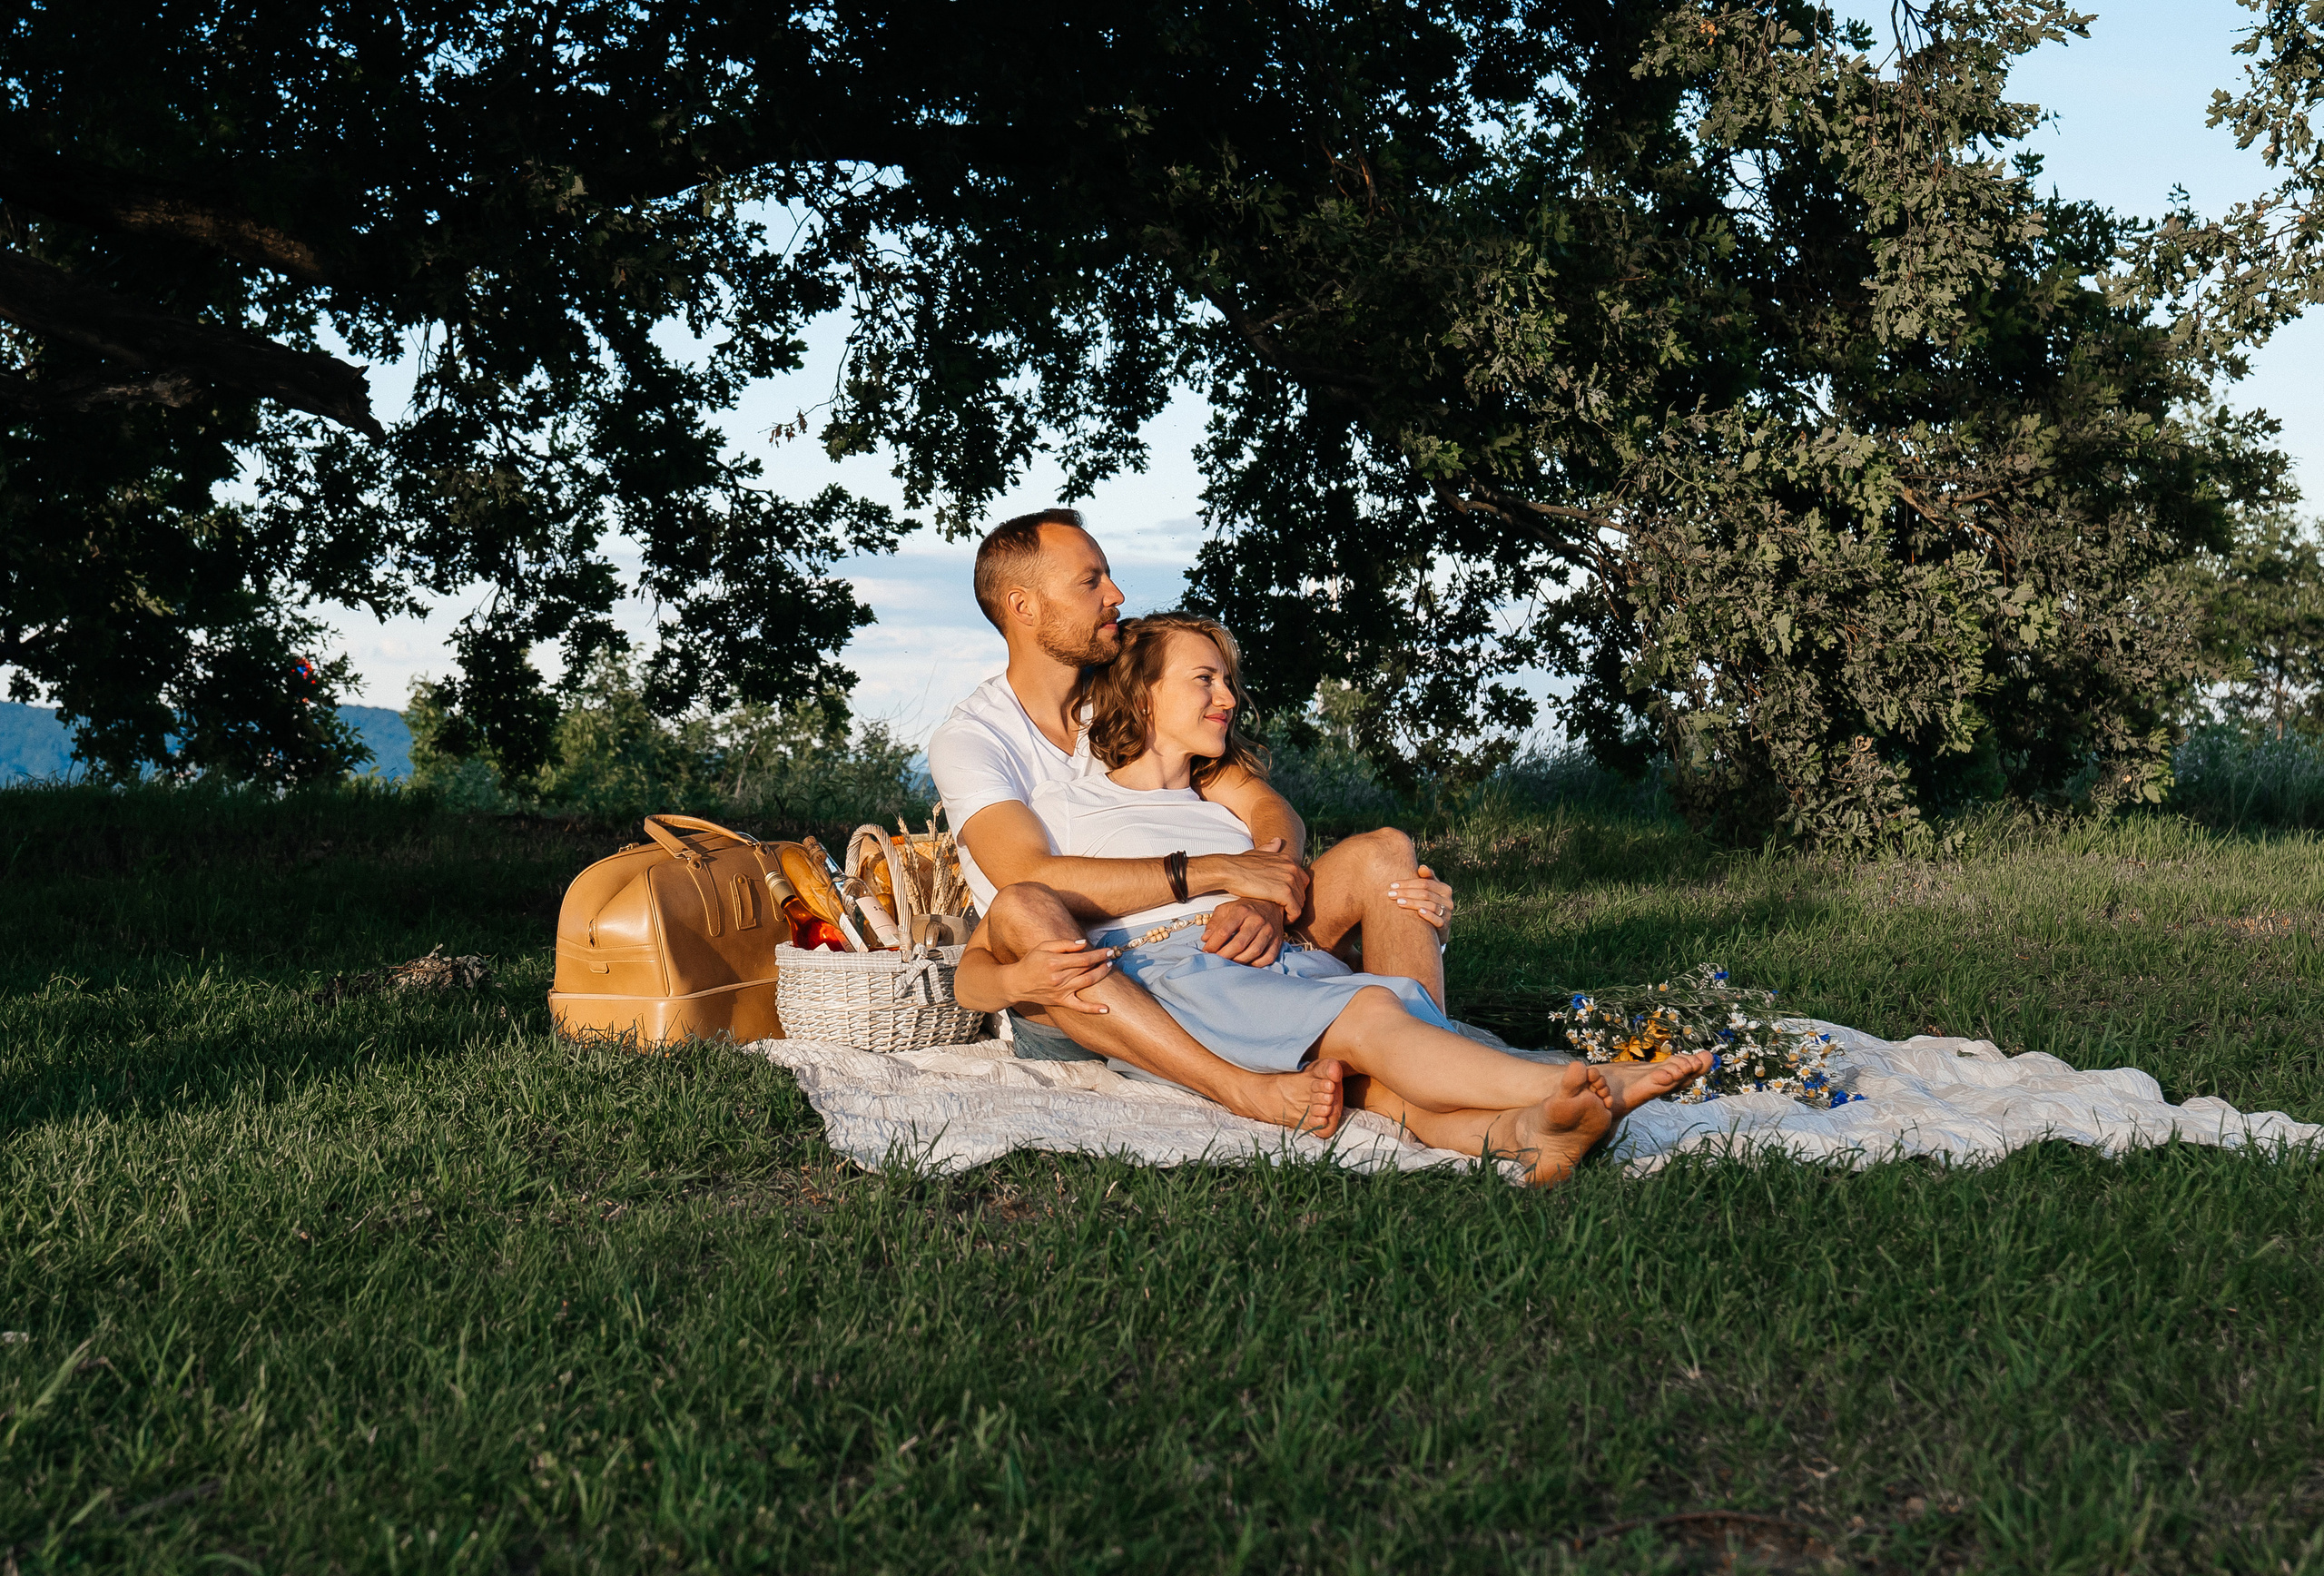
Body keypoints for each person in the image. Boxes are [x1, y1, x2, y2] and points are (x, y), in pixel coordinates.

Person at [953, 612, 1711, 1183]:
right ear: (1143, 696)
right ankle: (1576, 1083)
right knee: (1370, 1013)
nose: (1227, 697)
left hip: (1274, 964)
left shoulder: (1220, 795)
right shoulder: (1067, 804)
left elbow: (1281, 835)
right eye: (1204, 679)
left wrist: (1272, 898)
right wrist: (1019, 982)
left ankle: (1524, 1128)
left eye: (1229, 681)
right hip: (1177, 974)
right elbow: (1001, 930)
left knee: (1373, 984)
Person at [926, 508, 1455, 1138]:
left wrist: (1266, 894)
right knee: (1036, 910)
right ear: (1024, 605)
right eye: (1089, 581)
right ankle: (1251, 1085)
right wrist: (1216, 873)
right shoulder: (975, 738)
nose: (1115, 596)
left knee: (1386, 856)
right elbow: (1029, 876)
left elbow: (1263, 806)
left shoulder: (1132, 694)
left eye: (1110, 578)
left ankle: (1439, 1066)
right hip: (1082, 982)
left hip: (1205, 942)